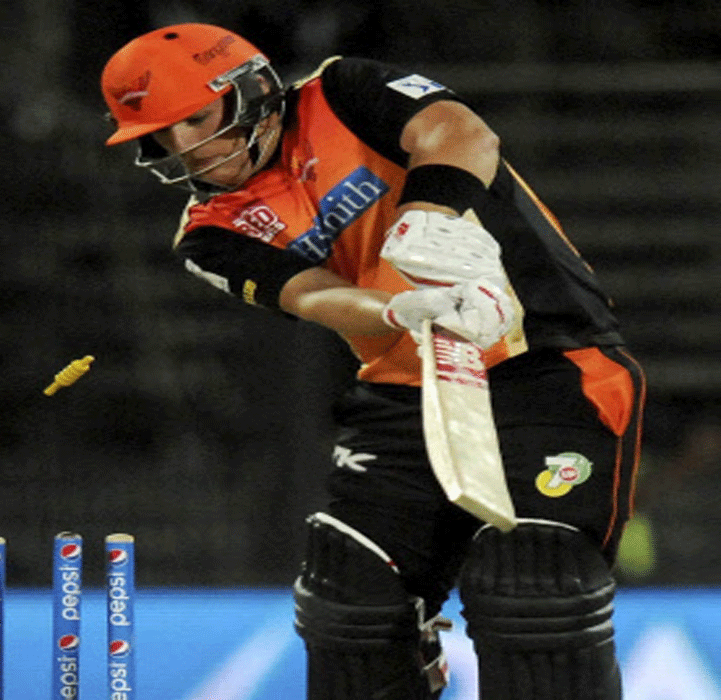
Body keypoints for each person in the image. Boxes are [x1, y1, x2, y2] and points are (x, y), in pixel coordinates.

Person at [100, 23, 645, 700]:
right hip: (403, 395)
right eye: (161, 138)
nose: (187, 149)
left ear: (252, 89)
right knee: (350, 598)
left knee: (533, 586)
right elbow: (316, 297)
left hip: (549, 366)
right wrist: (395, 313)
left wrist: (432, 219)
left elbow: (462, 134)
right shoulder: (209, 232)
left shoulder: (342, 91)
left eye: (195, 120)